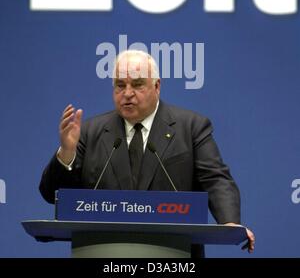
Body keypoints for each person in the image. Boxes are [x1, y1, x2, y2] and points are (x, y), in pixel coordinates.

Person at [39, 49, 255, 254]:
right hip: (105, 252)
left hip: (174, 253)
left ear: (157, 86)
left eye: (138, 85)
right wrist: (67, 152)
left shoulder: (191, 127)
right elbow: (51, 195)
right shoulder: (90, 131)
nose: (128, 94)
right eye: (120, 85)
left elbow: (216, 180)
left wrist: (230, 223)